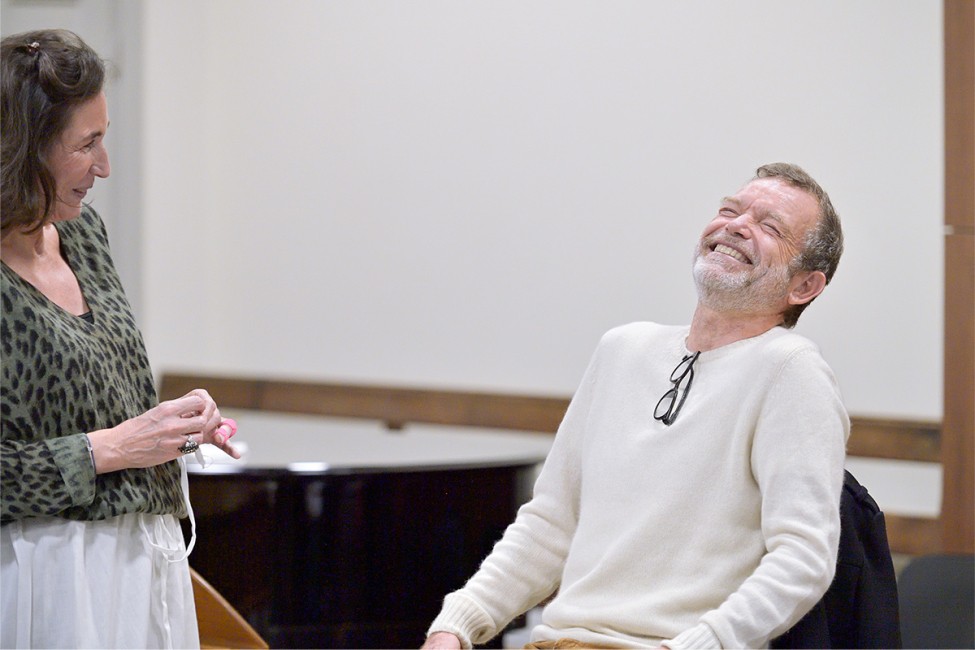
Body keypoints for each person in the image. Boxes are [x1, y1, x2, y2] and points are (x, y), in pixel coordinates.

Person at [422, 163, 848, 649]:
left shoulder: (790, 370)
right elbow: (551, 523)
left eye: (769, 226)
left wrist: (696, 646)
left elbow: (803, 559)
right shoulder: (621, 349)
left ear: (805, 287)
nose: (735, 225)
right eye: (729, 210)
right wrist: (456, 623)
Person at [1, 29, 240, 649]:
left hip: (138, 558)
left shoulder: (81, 235)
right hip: (43, 575)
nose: (105, 166)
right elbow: (98, 444)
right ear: (24, 150)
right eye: (89, 144)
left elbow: (102, 406)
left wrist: (171, 427)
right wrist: (107, 449)